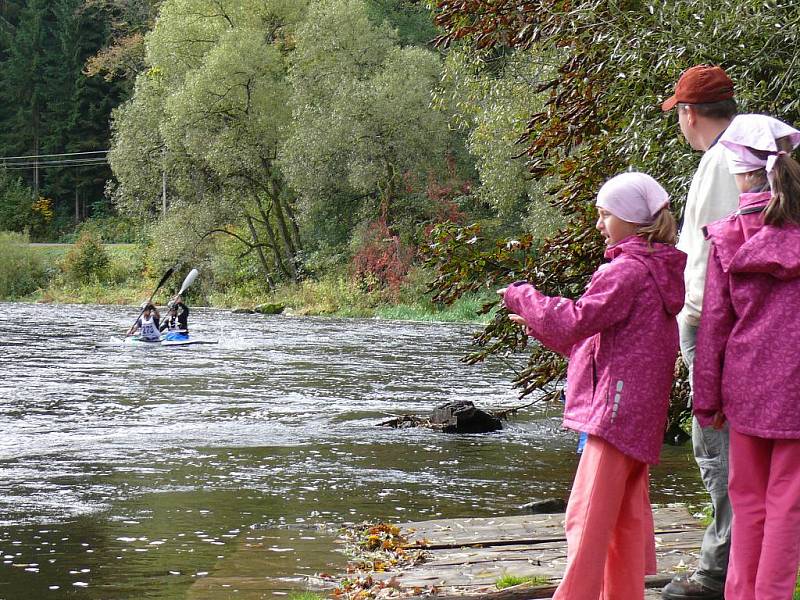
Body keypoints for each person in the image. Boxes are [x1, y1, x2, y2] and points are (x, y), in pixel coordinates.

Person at [499, 172, 686, 600]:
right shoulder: (658, 272)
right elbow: (595, 345)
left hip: (614, 414)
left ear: (630, 219)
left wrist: (522, 296)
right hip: (640, 416)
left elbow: (573, 321)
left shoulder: (625, 272)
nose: (599, 224)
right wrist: (537, 325)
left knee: (584, 518)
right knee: (623, 522)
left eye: (604, 215)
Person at [693, 114, 800, 600]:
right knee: (788, 506)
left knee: (747, 498)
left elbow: (714, 325)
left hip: (746, 385)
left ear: (738, 172)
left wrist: (705, 399)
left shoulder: (727, 237)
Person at [660, 64, 741, 600]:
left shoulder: (719, 162)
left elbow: (711, 253)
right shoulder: (755, 151)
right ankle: (733, 563)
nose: (680, 124)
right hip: (737, 318)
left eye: (679, 113)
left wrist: (690, 316)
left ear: (690, 113)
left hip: (710, 318)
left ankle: (717, 572)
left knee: (714, 442)